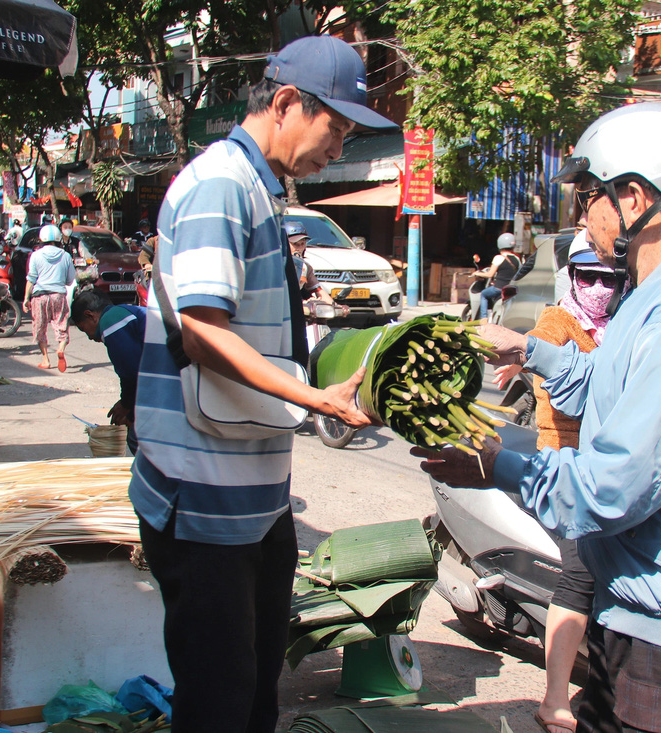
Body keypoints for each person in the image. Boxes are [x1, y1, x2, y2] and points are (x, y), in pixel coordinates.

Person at [414, 103, 661, 732]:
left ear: (635, 198)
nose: (584, 213)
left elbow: (611, 490)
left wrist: (497, 466)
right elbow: (608, 389)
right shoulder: (657, 292)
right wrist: (529, 349)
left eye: (591, 195)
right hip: (637, 619)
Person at [129, 35, 394, 731]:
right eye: (335, 128)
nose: (338, 149)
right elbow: (204, 332)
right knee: (218, 699)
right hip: (203, 495)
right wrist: (314, 398)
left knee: (251, 693)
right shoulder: (223, 184)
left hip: (251, 494)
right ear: (284, 104)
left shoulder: (262, 188)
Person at [495, 230, 614, 733]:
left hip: (609, 470)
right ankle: (554, 698)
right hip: (562, 464)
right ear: (571, 277)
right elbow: (562, 394)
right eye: (589, 277)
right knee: (581, 575)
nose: (600, 288)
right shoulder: (557, 321)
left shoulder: (622, 324)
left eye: (611, 278)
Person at [71, 290, 146, 454]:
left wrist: (126, 406)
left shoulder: (111, 322)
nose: (90, 338)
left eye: (84, 330)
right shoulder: (122, 312)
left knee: (138, 438)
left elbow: (131, 372)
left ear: (90, 315)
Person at [23, 224, 76, 372]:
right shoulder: (65, 255)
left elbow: (31, 279)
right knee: (61, 326)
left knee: (40, 328)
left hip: (40, 296)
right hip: (58, 295)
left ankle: (45, 359)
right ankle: (60, 348)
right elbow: (70, 279)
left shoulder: (36, 255)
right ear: (59, 238)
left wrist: (26, 298)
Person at [471, 232, 521, 320]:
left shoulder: (499, 258)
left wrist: (477, 273)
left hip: (499, 288)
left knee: (484, 294)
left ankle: (484, 318)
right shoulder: (517, 259)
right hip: (511, 289)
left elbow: (490, 274)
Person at [284, 220, 335, 304]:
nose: (299, 248)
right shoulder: (277, 265)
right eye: (295, 244)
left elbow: (319, 291)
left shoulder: (305, 266)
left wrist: (335, 306)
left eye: (302, 243)